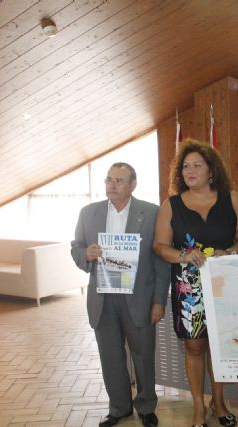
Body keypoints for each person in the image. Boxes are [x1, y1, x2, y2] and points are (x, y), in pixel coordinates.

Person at [153, 140, 238, 427]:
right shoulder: (171, 205)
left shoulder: (231, 198)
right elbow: (159, 246)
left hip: (224, 282)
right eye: (185, 167)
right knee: (194, 348)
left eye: (197, 165)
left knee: (220, 345)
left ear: (211, 171)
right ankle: (198, 407)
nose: (190, 171)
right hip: (188, 286)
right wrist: (183, 254)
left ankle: (218, 402)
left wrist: (230, 251)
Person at [71, 162, 170, 427]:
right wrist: (85, 255)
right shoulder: (88, 213)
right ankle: (119, 408)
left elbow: (161, 260)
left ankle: (147, 407)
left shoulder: (151, 213)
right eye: (108, 180)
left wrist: (159, 301)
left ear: (133, 185)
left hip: (139, 298)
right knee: (110, 356)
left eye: (119, 181)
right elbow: (76, 247)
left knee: (143, 356)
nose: (111, 185)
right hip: (103, 298)